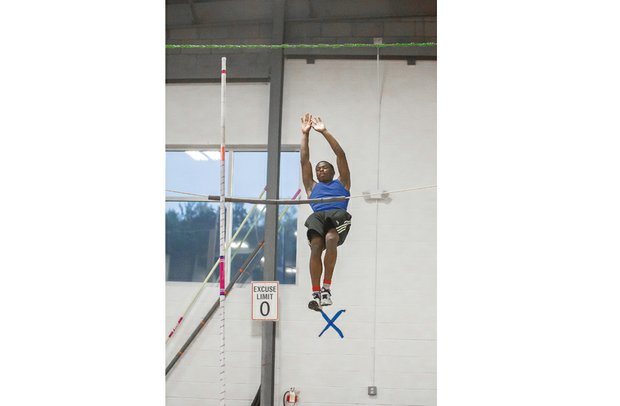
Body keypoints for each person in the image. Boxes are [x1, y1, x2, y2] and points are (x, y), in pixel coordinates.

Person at [300, 113, 352, 311]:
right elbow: (305, 161)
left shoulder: (343, 182)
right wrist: (305, 135)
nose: (320, 170)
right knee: (315, 246)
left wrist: (323, 132)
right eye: (318, 169)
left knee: (331, 240)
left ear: (332, 171)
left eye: (324, 168)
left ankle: (327, 288)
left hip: (337, 215)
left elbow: (341, 155)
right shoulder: (311, 187)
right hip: (318, 217)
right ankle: (315, 292)